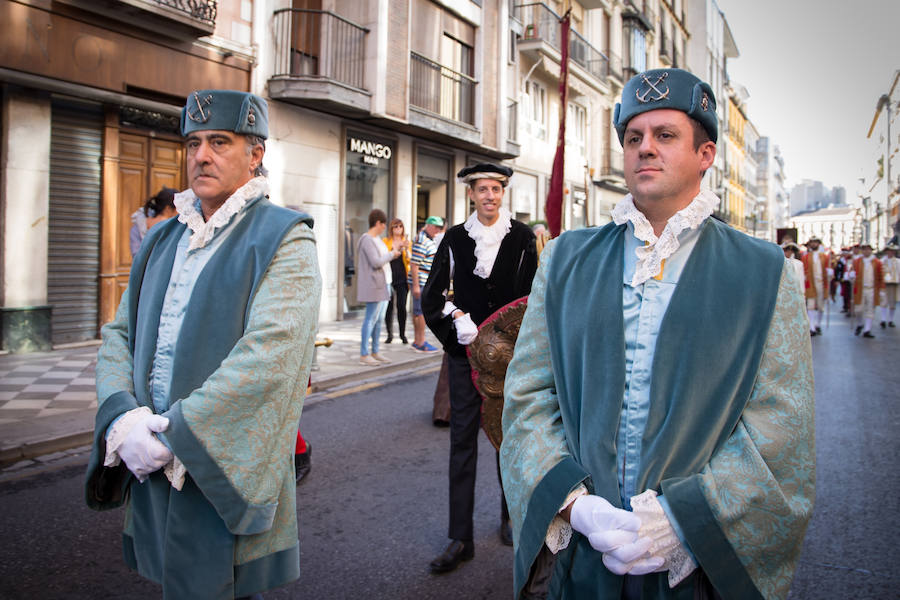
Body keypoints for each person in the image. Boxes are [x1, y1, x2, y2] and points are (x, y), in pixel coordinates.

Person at [500, 68, 814, 600]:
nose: (645, 148)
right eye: (633, 138)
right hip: (584, 562)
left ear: (705, 154)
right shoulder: (564, 259)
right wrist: (574, 505)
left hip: (694, 573)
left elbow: (779, 429)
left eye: (665, 135)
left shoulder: (766, 272)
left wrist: (683, 519)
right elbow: (528, 395)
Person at [84, 90, 322, 600]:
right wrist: (124, 418)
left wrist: (173, 438)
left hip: (217, 467)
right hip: (150, 458)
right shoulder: (162, 238)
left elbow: (271, 356)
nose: (202, 156)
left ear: (255, 155)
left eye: (219, 142)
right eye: (193, 143)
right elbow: (120, 333)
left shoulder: (285, 237)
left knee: (224, 587)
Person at [423, 162, 538, 573]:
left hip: (510, 362)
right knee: (462, 444)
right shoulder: (455, 238)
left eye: (496, 189)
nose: (489, 195)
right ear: (471, 194)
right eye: (482, 189)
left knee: (509, 441)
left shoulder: (523, 238)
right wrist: (456, 320)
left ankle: (511, 517)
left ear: (503, 193)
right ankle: (461, 538)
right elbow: (432, 296)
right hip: (464, 358)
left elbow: (535, 297)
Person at [357, 208, 400, 365]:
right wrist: (392, 254)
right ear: (377, 223)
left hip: (384, 284)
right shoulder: (367, 240)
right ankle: (364, 354)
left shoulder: (378, 240)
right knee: (370, 319)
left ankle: (375, 351)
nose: (384, 227)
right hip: (374, 285)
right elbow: (376, 262)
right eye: (383, 224)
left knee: (379, 319)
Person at [409, 216, 443, 353]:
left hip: (423, 280)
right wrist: (416, 286)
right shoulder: (422, 240)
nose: (438, 230)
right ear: (428, 226)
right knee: (421, 312)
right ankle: (421, 342)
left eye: (440, 228)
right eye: (436, 227)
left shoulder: (427, 238)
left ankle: (418, 341)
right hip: (421, 281)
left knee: (418, 312)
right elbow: (414, 264)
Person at [383, 218, 410, 344]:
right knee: (388, 307)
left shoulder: (407, 242)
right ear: (391, 228)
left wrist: (405, 249)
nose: (398, 228)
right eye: (396, 226)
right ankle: (389, 334)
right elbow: (384, 256)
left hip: (402, 278)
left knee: (401, 306)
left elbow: (410, 259)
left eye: (400, 226)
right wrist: (396, 249)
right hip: (389, 277)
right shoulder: (386, 241)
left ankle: (402, 334)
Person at [130, 187, 177, 256]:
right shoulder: (170, 226)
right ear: (168, 209)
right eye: (179, 208)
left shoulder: (138, 223)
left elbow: (136, 254)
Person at [852, 243, 884, 338]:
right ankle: (860, 324)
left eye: (868, 249)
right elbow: (851, 272)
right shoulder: (857, 262)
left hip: (872, 289)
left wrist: (882, 289)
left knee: (870, 309)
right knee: (858, 309)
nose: (866, 251)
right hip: (860, 289)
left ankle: (867, 330)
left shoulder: (877, 262)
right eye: (865, 249)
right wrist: (851, 275)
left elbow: (881, 276)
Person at [801, 235, 831, 336]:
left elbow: (828, 270)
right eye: (812, 242)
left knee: (820, 306)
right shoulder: (805, 257)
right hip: (810, 283)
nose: (814, 244)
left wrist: (830, 272)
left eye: (815, 242)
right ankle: (812, 327)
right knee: (810, 305)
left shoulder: (825, 257)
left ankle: (818, 324)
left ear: (818, 244)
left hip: (821, 283)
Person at [879, 243, 899, 327]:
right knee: (883, 301)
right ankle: (883, 319)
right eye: (889, 251)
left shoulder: (898, 261)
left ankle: (891, 320)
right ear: (886, 251)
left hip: (894, 283)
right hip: (884, 283)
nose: (891, 252)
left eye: (893, 251)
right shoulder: (882, 261)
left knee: (892, 302)